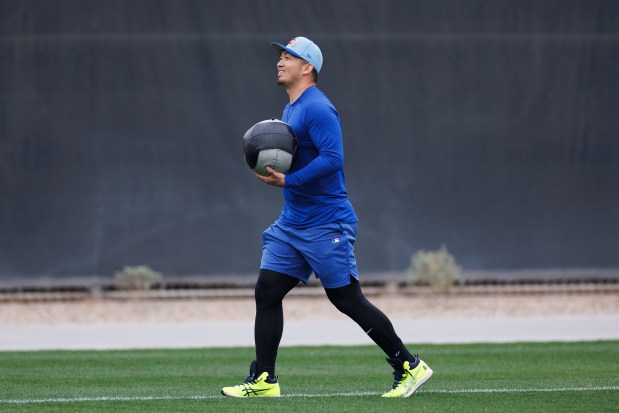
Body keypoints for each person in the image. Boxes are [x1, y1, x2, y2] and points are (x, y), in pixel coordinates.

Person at [221, 36, 432, 398]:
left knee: (347, 299)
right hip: (293, 223)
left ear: (308, 68)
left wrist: (288, 179)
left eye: (289, 57)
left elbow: (334, 159)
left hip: (326, 222)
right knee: (267, 291)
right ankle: (265, 380)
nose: (280, 61)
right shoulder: (291, 109)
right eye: (280, 56)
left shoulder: (317, 107)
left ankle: (409, 365)